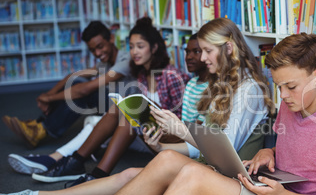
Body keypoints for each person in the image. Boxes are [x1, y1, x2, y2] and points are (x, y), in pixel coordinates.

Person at [64, 32, 316, 195]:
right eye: (279, 86)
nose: (283, 95)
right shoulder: (290, 106)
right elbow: (301, 151)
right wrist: (269, 151)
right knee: (169, 159)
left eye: (291, 86)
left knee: (194, 176)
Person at [0, 18, 273, 195]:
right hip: (208, 167)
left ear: (228, 49)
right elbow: (202, 150)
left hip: (227, 180)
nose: (201, 58)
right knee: (134, 176)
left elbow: (227, 148)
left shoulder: (249, 89)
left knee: (138, 186)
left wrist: (180, 130)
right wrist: (164, 142)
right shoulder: (220, 83)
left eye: (207, 51)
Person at [6, 33, 207, 176]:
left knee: (120, 112)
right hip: (147, 133)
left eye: (139, 46)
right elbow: (76, 78)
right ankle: (61, 158)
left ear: (154, 48)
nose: (133, 52)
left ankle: (79, 165)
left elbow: (181, 124)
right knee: (106, 115)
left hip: (165, 137)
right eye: (131, 46)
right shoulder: (143, 75)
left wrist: (48, 97)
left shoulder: (173, 77)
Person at [2, 21, 132, 148]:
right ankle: (37, 125)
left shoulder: (125, 61)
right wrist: (49, 94)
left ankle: (41, 130)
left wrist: (50, 98)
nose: (97, 54)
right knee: (75, 83)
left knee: (85, 91)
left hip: (122, 111)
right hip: (108, 105)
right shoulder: (105, 62)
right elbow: (74, 76)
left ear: (111, 38)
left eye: (100, 46)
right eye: (92, 50)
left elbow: (85, 90)